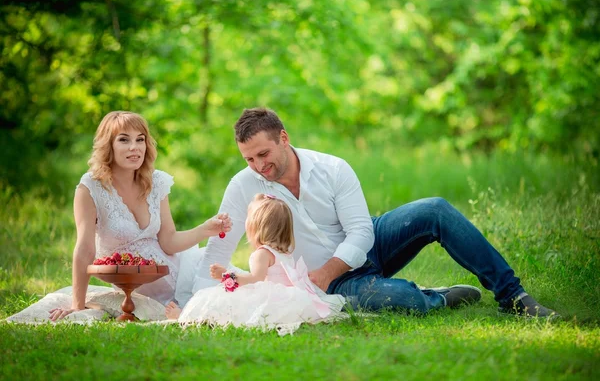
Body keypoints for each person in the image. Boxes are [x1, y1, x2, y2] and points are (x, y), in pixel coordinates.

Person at [192, 107, 558, 318]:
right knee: (401, 300)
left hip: (362, 249)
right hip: (333, 283)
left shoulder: (332, 168)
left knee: (435, 209)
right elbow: (219, 250)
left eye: (263, 154)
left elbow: (362, 233)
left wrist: (329, 269)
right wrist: (196, 306)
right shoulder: (243, 185)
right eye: (249, 159)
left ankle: (513, 297)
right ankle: (435, 296)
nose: (258, 166)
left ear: (283, 138)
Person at [46, 111, 233, 321]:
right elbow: (85, 249)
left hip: (183, 271)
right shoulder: (90, 188)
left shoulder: (156, 181)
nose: (134, 147)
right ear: (109, 145)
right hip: (139, 291)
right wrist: (77, 306)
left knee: (235, 293)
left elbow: (169, 242)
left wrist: (206, 229)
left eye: (140, 140)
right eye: (124, 140)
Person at [169, 193, 345, 335]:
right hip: (287, 296)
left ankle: (184, 317)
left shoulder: (261, 254)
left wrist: (226, 275)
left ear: (255, 228)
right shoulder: (284, 253)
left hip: (268, 295)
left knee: (218, 300)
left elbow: (256, 279)